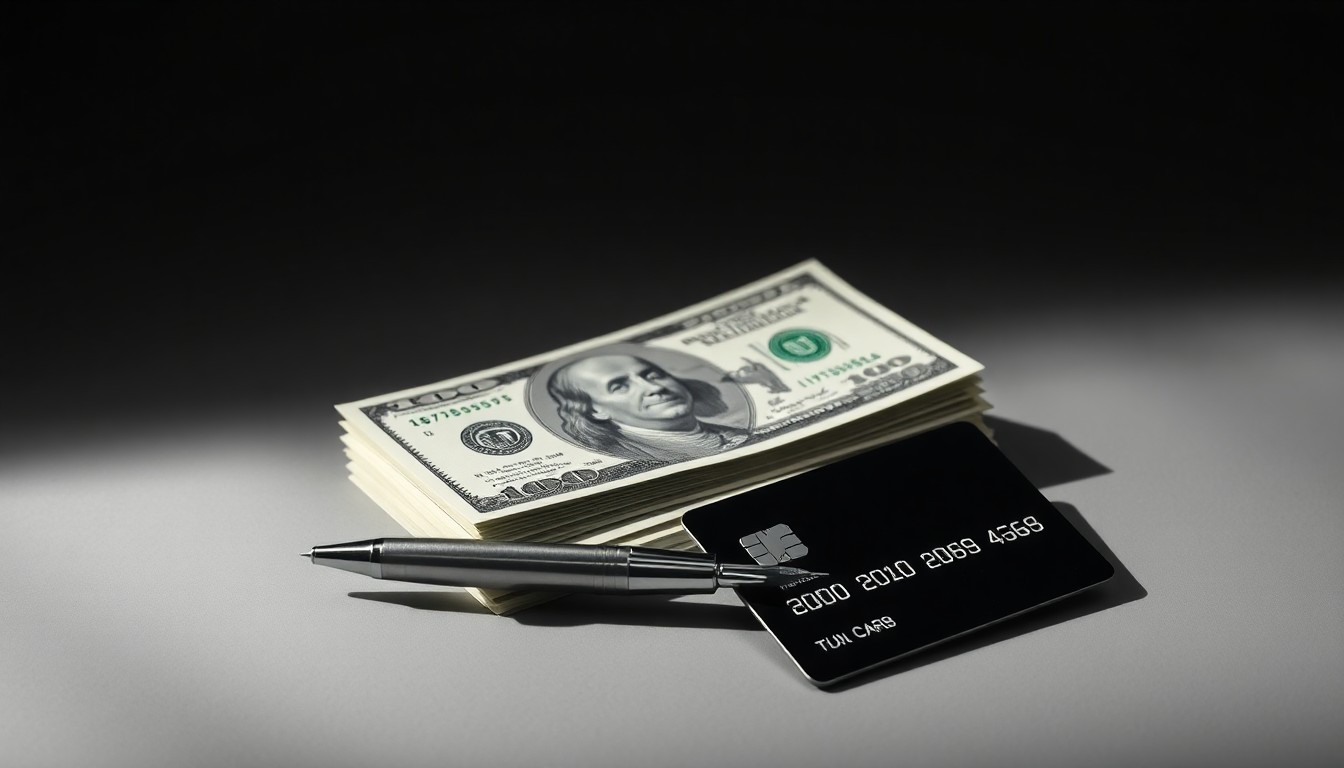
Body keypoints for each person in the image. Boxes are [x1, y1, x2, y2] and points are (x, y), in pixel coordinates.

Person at [546, 353, 750, 462]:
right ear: (595, 410)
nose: (655, 388)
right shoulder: (628, 455)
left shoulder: (736, 432)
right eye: (619, 386)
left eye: (653, 375)